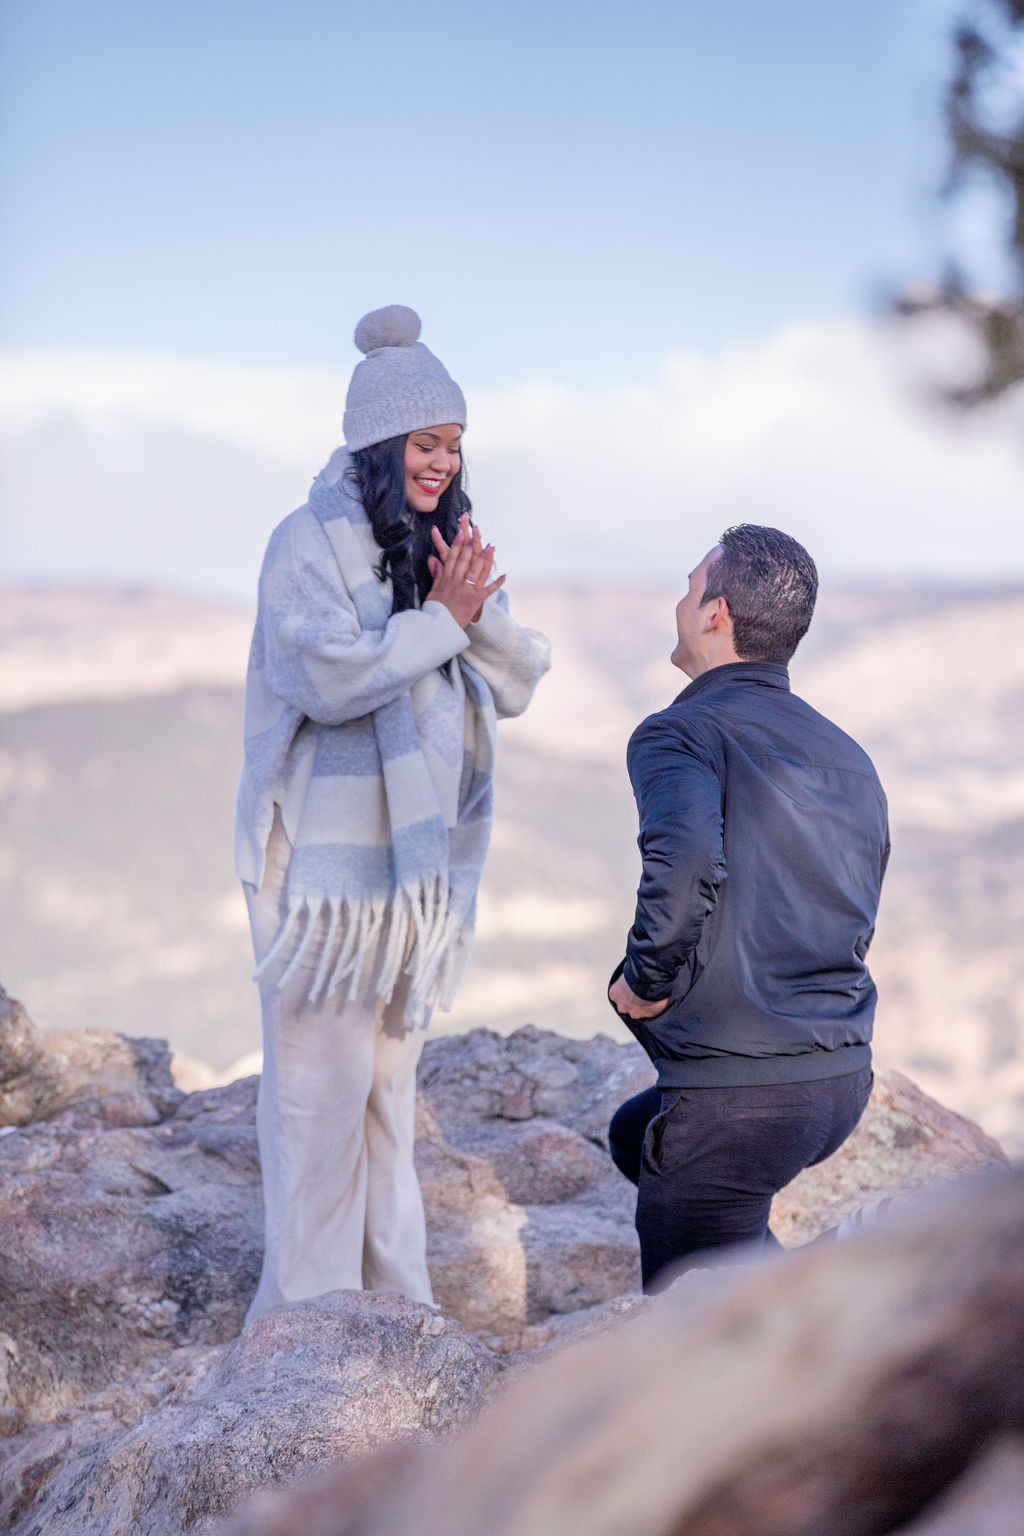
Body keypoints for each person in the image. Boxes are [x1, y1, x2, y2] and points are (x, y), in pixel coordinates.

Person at [236, 305, 550, 1321]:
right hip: (320, 877)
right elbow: (328, 676)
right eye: (426, 443)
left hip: (409, 880)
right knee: (318, 1098)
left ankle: (396, 1308)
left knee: (385, 1092)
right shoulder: (304, 545)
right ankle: (309, 1328)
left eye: (454, 446)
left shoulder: (436, 546)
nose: (442, 462)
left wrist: (467, 615)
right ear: (381, 441)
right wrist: (440, 625)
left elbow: (513, 676)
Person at [607, 524, 889, 1290]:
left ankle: (828, 1293)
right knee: (634, 1135)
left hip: (742, 1098)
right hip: (838, 1081)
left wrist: (645, 978)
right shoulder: (846, 754)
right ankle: (804, 1280)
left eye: (688, 586)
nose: (680, 600)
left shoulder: (679, 733)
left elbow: (688, 863)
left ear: (714, 613)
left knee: (688, 1327)